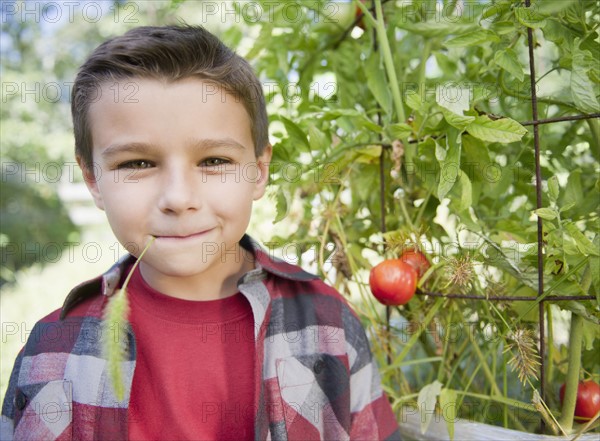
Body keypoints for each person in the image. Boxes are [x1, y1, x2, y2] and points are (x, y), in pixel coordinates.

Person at [1, 25, 400, 440]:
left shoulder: (329, 324)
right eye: (137, 164)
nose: (179, 198)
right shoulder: (50, 352)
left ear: (258, 172)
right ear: (93, 180)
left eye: (213, 160)